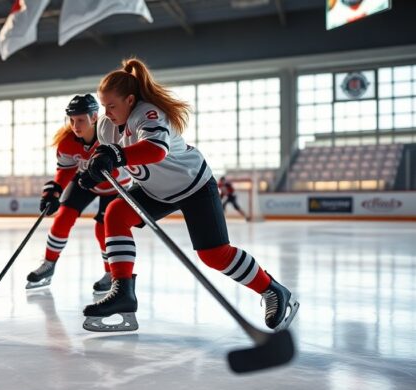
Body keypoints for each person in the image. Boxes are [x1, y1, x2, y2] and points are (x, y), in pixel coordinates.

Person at [79, 58, 299, 332]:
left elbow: (155, 150)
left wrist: (116, 155)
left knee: (214, 255)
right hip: (155, 191)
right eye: (103, 106)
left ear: (131, 100)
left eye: (112, 106)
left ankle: (273, 290)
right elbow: (113, 159)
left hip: (193, 185)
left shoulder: (148, 114)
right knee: (115, 214)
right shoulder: (106, 126)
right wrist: (96, 169)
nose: (107, 112)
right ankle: (123, 293)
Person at [26, 94, 132, 294]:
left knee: (103, 229)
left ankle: (111, 273)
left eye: (80, 120)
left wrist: (95, 174)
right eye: (72, 120)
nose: (75, 125)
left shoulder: (110, 134)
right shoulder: (67, 141)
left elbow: (119, 168)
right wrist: (55, 189)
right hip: (86, 180)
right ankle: (48, 264)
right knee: (63, 217)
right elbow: (66, 169)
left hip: (116, 184)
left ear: (94, 117)